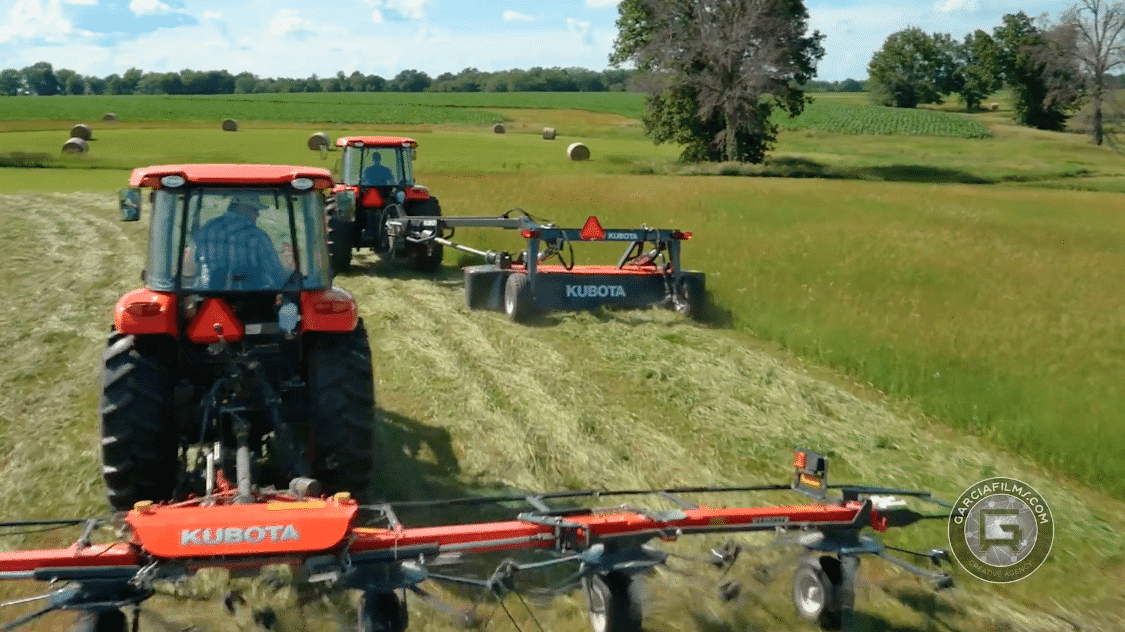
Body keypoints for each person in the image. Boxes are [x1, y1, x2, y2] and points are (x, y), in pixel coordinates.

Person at [191, 194, 291, 290]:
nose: (257, 214)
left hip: (209, 297)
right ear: (242, 207)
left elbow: (196, 263)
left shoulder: (207, 228)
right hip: (245, 302)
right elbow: (278, 276)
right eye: (255, 209)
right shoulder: (256, 236)